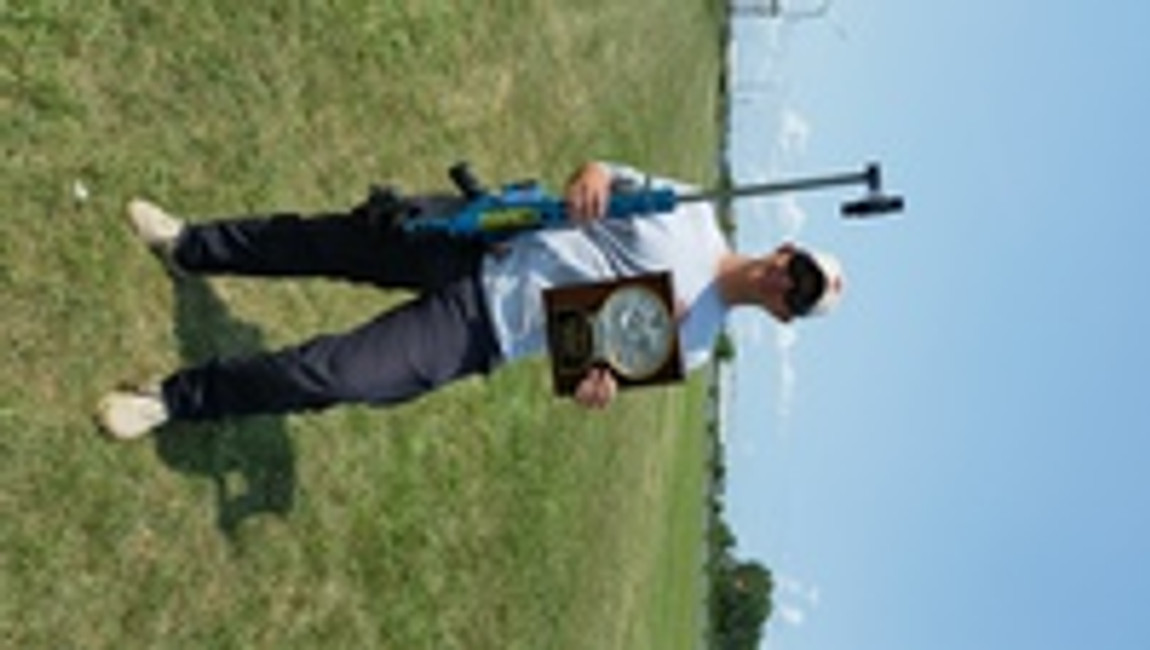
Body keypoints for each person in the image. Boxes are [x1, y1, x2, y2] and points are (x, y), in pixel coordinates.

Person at [96, 161, 845, 440]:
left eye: (797, 299)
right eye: (796, 271)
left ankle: (175, 399)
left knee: (333, 376)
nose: (786, 284)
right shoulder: (690, 208)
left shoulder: (700, 345)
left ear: (783, 317)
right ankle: (192, 244)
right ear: (785, 252)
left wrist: (595, 388)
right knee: (326, 239)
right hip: (483, 238)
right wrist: (588, 178)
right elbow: (601, 174)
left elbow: (607, 367)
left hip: (483, 331)